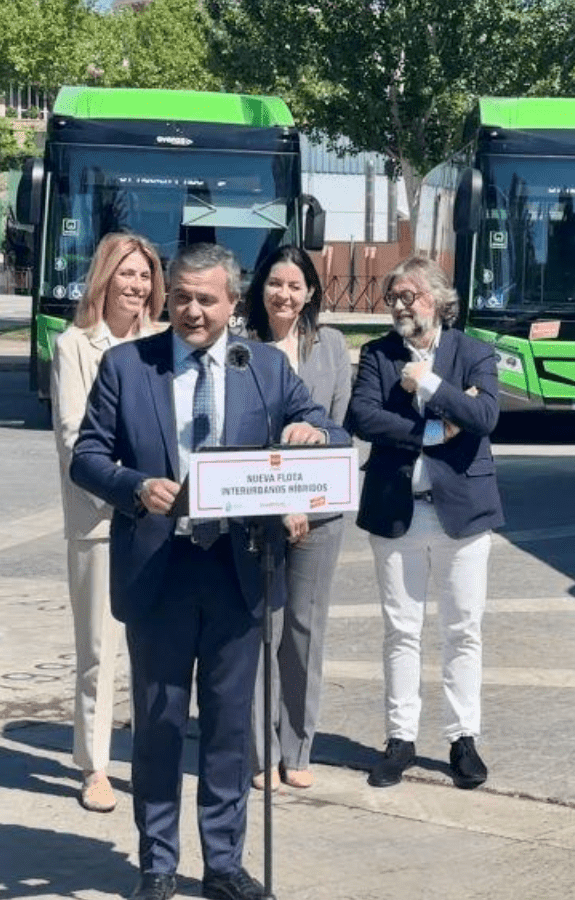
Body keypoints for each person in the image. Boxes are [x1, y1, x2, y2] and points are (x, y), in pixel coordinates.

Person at [70, 243, 346, 900]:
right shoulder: (126, 366)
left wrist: (311, 434)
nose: (193, 311)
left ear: (231, 302)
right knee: (161, 727)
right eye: (184, 297)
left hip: (237, 572)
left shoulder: (265, 368)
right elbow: (86, 456)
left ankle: (223, 864)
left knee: (227, 729)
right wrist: (135, 486)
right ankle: (158, 864)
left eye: (208, 299)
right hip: (159, 573)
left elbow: (325, 431)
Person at [345, 254, 504, 790]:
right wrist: (434, 432)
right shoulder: (377, 356)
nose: (398, 305)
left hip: (462, 513)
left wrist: (431, 386)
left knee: (463, 630)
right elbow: (362, 416)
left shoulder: (474, 353)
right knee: (401, 630)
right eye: (392, 297)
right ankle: (400, 739)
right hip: (398, 511)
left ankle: (463, 739)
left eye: (408, 295)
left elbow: (484, 418)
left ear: (436, 299)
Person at [51, 232, 166, 813]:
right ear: (104, 277)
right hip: (100, 519)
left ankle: (144, 756)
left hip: (163, 520)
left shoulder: (164, 344)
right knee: (99, 650)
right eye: (126, 274)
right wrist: (135, 487)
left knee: (155, 650)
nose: (136, 286)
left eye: (145, 276)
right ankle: (94, 765)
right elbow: (77, 443)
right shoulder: (74, 346)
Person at [244, 245, 350, 792]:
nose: (284, 295)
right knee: (264, 627)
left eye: (295, 285)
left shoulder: (330, 346)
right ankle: (260, 749)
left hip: (322, 516)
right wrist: (277, 505)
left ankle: (298, 746)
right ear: (260, 288)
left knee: (306, 631)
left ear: (310, 292)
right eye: (275, 283)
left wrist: (306, 502)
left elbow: (341, 430)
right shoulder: (240, 349)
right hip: (258, 514)